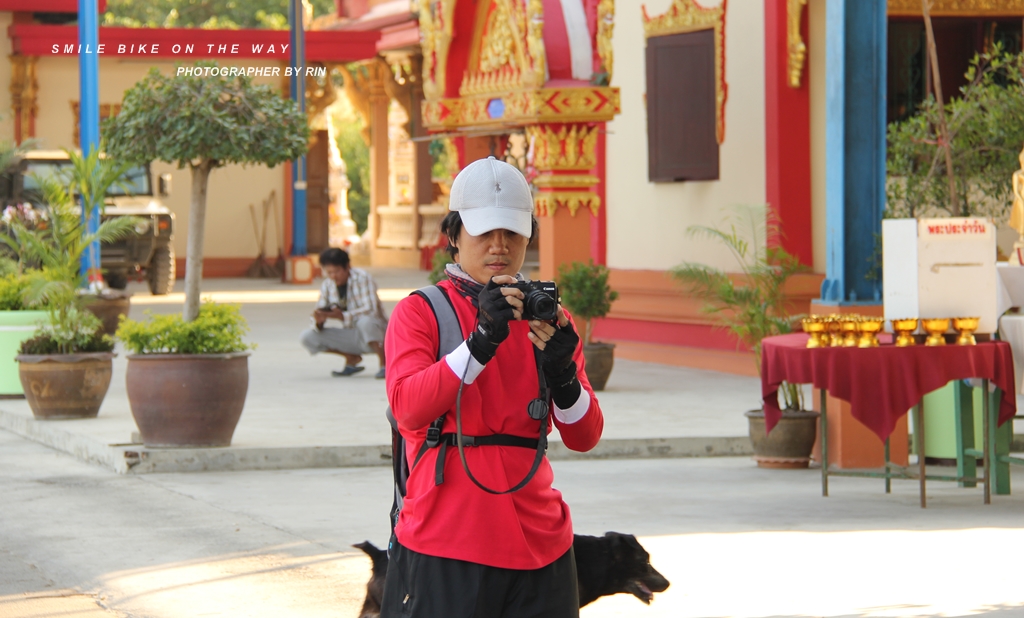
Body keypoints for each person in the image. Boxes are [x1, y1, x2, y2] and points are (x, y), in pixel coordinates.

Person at [382, 157, 604, 617]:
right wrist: (479, 343)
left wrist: (563, 374)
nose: (499, 245)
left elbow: (585, 437)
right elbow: (408, 409)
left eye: (512, 233)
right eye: (484, 231)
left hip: (542, 541)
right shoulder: (421, 311)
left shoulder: (547, 319)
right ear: (454, 235)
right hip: (447, 538)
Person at [299, 247, 388, 379]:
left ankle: (384, 364)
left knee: (365, 322)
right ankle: (351, 358)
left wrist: (342, 316)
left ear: (347, 267)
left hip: (376, 334)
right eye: (329, 272)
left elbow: (370, 310)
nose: (333, 276)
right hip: (352, 334)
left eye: (337, 271)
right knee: (307, 337)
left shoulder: (363, 278)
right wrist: (319, 321)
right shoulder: (327, 285)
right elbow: (319, 310)